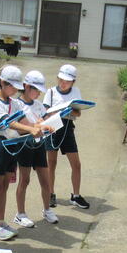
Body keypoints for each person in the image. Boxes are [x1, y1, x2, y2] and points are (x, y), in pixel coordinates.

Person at [0, 65, 43, 241]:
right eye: (12, 86)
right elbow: (8, 123)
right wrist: (31, 129)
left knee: (4, 185)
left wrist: (41, 126)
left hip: (12, 145)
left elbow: (24, 122)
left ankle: (1, 221)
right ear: (3, 83)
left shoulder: (14, 102)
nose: (15, 90)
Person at [14, 70, 58, 226]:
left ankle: (47, 210)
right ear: (26, 87)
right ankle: (20, 214)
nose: (39, 93)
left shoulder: (39, 105)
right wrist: (39, 124)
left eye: (40, 90)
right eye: (36, 89)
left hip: (39, 145)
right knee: (24, 180)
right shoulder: (17, 104)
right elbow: (23, 127)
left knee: (45, 180)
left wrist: (49, 124)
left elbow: (47, 121)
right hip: (24, 145)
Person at [43, 64, 90, 210]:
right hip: (52, 128)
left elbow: (78, 113)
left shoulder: (76, 92)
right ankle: (50, 193)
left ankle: (76, 196)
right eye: (61, 80)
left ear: (73, 82)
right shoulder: (50, 92)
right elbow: (46, 113)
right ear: (57, 78)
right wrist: (62, 111)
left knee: (76, 164)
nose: (63, 83)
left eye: (67, 81)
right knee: (51, 163)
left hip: (68, 127)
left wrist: (65, 111)